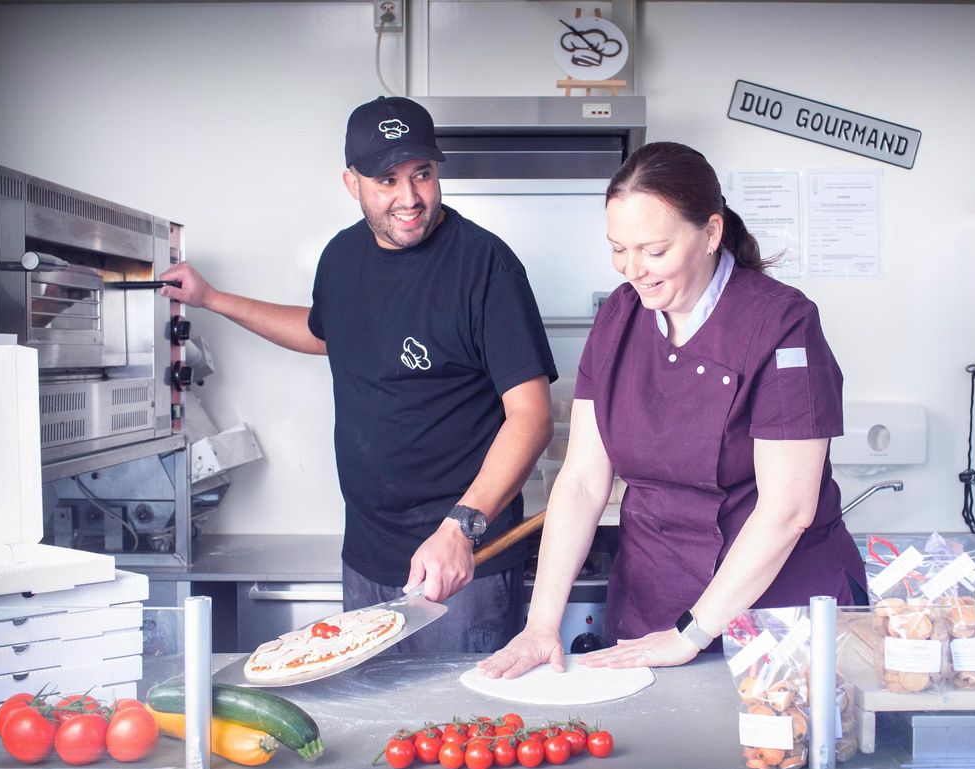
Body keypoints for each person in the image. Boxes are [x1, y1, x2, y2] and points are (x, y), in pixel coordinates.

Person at [161, 96, 557, 653]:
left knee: (459, 731)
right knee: (376, 727)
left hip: (464, 562)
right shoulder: (342, 257)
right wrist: (213, 299)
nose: (409, 197)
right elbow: (325, 333)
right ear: (352, 183)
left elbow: (531, 417)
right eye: (386, 180)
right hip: (367, 554)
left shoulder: (485, 265)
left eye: (422, 174)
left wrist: (459, 530)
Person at [480, 141, 866, 677]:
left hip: (777, 615)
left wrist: (693, 633)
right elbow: (582, 482)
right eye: (618, 249)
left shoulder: (783, 324)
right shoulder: (619, 318)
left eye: (654, 251)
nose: (633, 270)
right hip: (652, 607)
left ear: (710, 233)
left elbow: (788, 510)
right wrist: (542, 623)